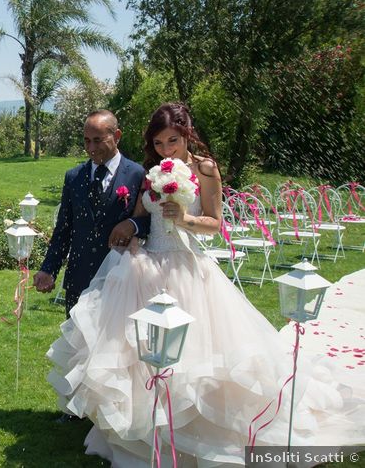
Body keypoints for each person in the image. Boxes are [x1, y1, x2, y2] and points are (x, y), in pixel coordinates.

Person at [45, 103, 365, 464]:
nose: (167, 149)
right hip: (148, 268)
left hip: (187, 268)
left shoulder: (206, 168)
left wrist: (184, 219)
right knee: (139, 355)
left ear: (186, 135)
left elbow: (216, 224)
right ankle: (148, 428)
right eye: (159, 142)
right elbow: (140, 215)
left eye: (173, 140)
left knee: (195, 357)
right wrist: (132, 233)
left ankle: (196, 429)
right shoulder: (150, 172)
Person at [33, 110, 147, 317]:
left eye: (98, 140)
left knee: (115, 347)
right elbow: (63, 230)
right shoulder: (74, 177)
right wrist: (49, 269)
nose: (91, 149)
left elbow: (150, 221)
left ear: (117, 136)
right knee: (76, 346)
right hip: (79, 278)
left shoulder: (137, 174)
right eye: (87, 141)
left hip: (120, 277)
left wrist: (132, 224)